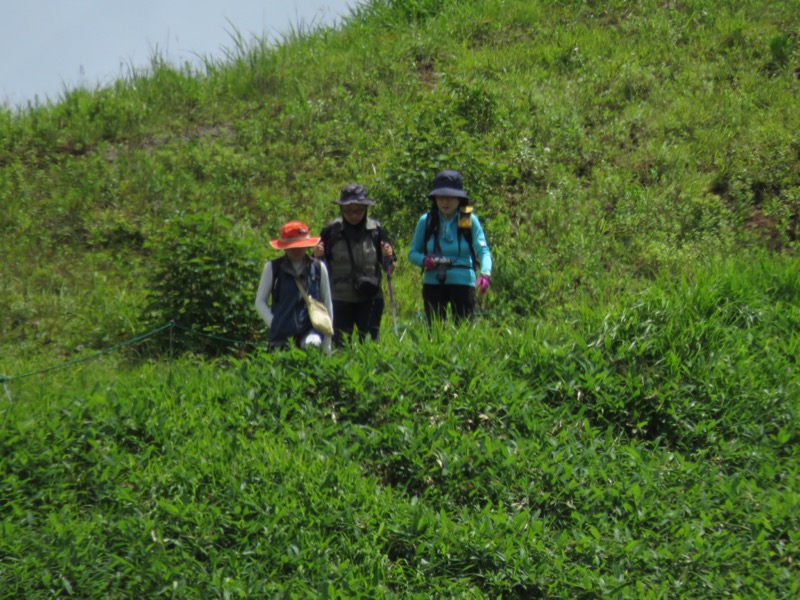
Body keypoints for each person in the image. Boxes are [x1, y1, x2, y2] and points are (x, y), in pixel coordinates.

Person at [314, 184, 396, 346]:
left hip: (370, 296)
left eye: (358, 211)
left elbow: (389, 268)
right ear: (341, 210)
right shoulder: (331, 232)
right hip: (339, 298)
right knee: (340, 345)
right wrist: (317, 255)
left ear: (366, 209)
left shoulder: (376, 231)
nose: (353, 215)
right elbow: (317, 268)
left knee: (370, 344)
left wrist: (389, 257)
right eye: (348, 211)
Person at [408, 169, 492, 324]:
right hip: (433, 282)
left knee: (464, 329)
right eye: (441, 197)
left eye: (450, 197)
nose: (445, 202)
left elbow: (483, 250)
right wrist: (424, 260)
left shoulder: (466, 219)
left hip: (463, 282)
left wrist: (485, 273)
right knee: (434, 330)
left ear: (459, 198)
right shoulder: (427, 220)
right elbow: (412, 253)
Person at [255, 220, 333, 354]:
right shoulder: (273, 268)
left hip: (311, 332)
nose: (296, 250)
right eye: (291, 247)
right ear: (284, 247)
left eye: (301, 246)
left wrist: (327, 342)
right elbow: (260, 302)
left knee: (312, 345)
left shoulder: (319, 268)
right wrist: (274, 323)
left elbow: (327, 303)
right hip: (280, 336)